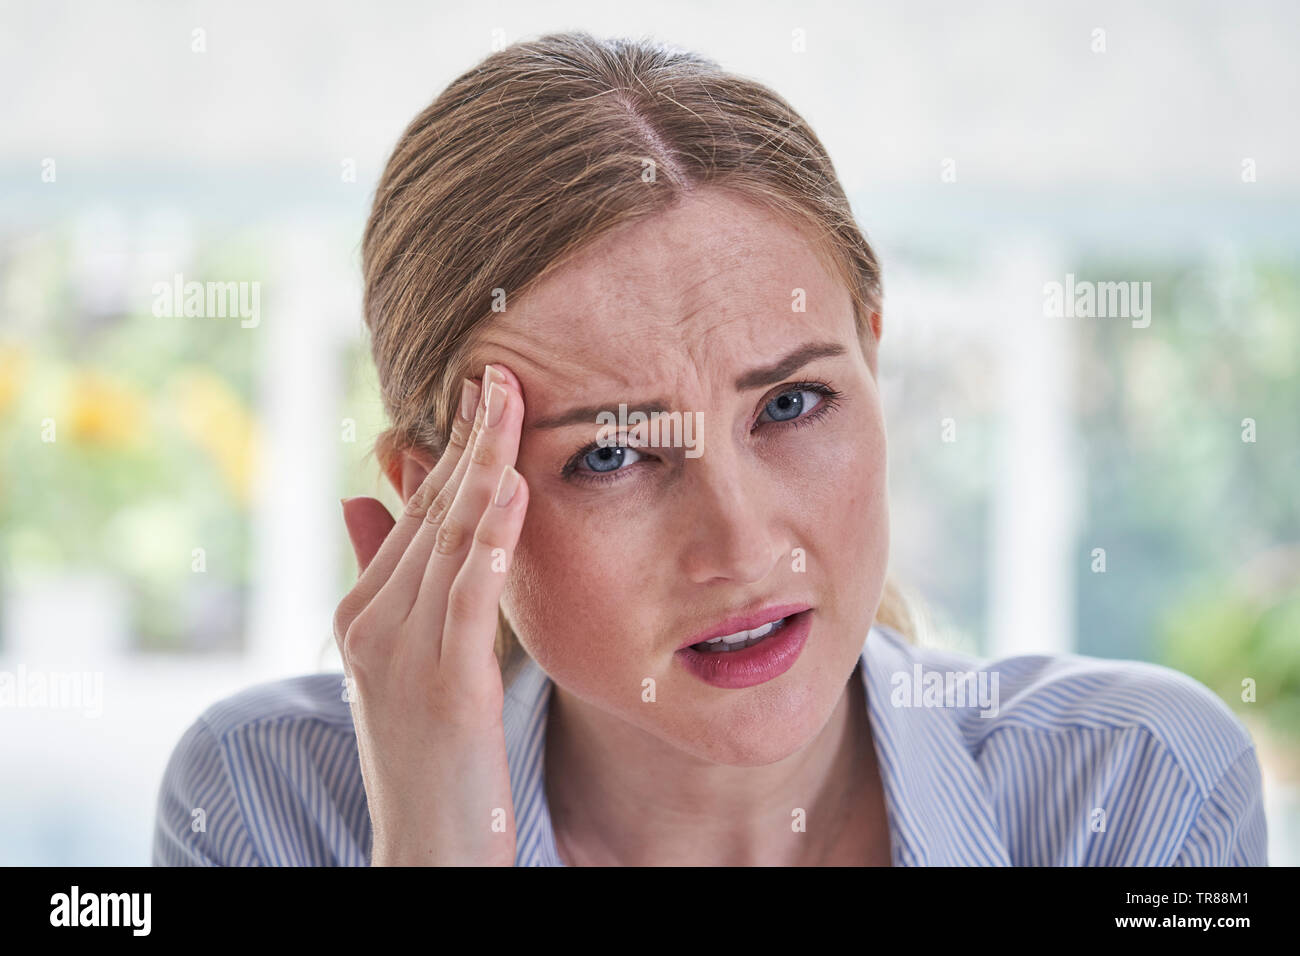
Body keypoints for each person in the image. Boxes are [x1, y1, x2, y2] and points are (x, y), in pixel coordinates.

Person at [152, 30, 1267, 866]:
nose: (737, 542)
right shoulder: (266, 802)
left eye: (790, 405)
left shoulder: (1136, 785)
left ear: (870, 362)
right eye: (610, 455)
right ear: (432, 495)